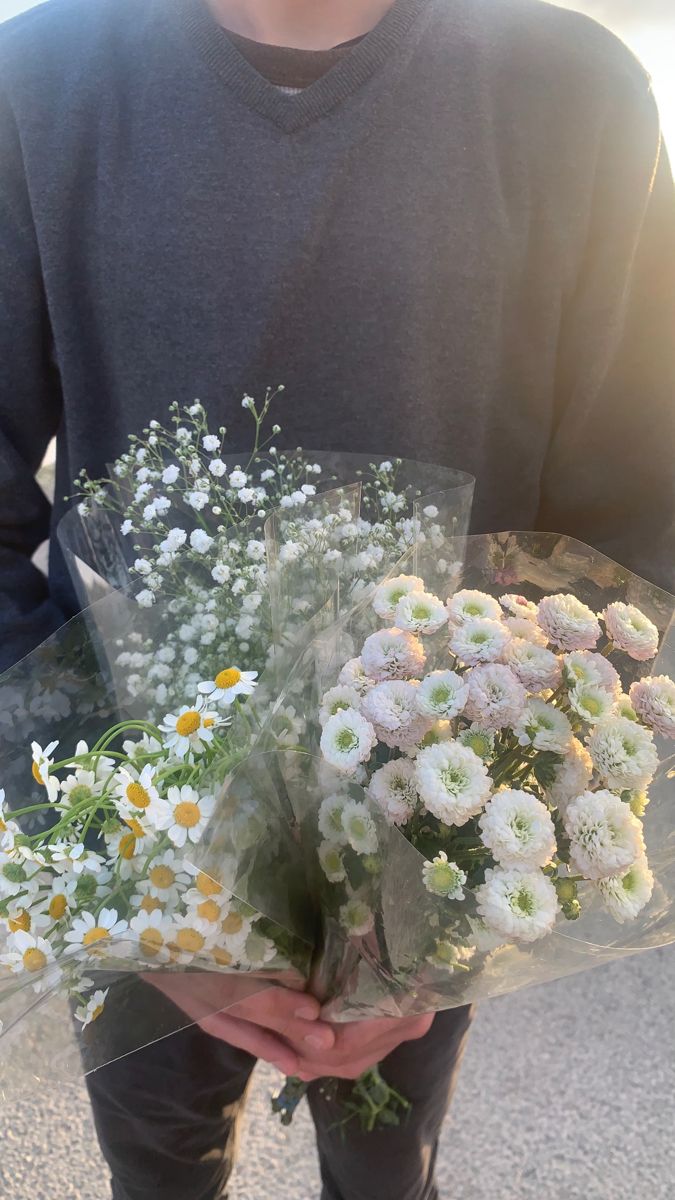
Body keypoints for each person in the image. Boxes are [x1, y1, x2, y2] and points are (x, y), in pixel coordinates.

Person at [1, 0, 674, 1197]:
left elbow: (639, 530)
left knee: (386, 1166)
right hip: (140, 852)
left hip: (438, 862)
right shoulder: (34, 82)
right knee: (157, 1166)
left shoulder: (573, 94)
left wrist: (463, 914)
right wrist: (132, 881)